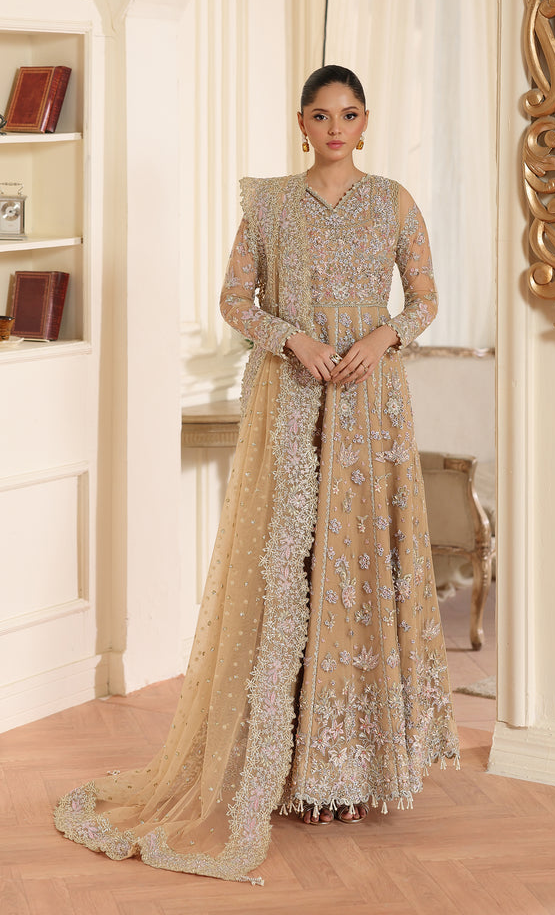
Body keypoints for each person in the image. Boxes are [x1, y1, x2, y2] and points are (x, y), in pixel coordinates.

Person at [54, 64, 459, 885]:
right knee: (291, 576)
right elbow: (236, 300)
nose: (335, 127)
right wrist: (293, 340)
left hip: (370, 413)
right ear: (301, 123)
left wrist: (381, 341)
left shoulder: (393, 202)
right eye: (320, 115)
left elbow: (424, 298)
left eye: (348, 114)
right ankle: (280, 763)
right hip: (291, 407)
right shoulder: (269, 203)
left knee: (356, 578)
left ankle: (349, 769)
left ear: (365, 121)